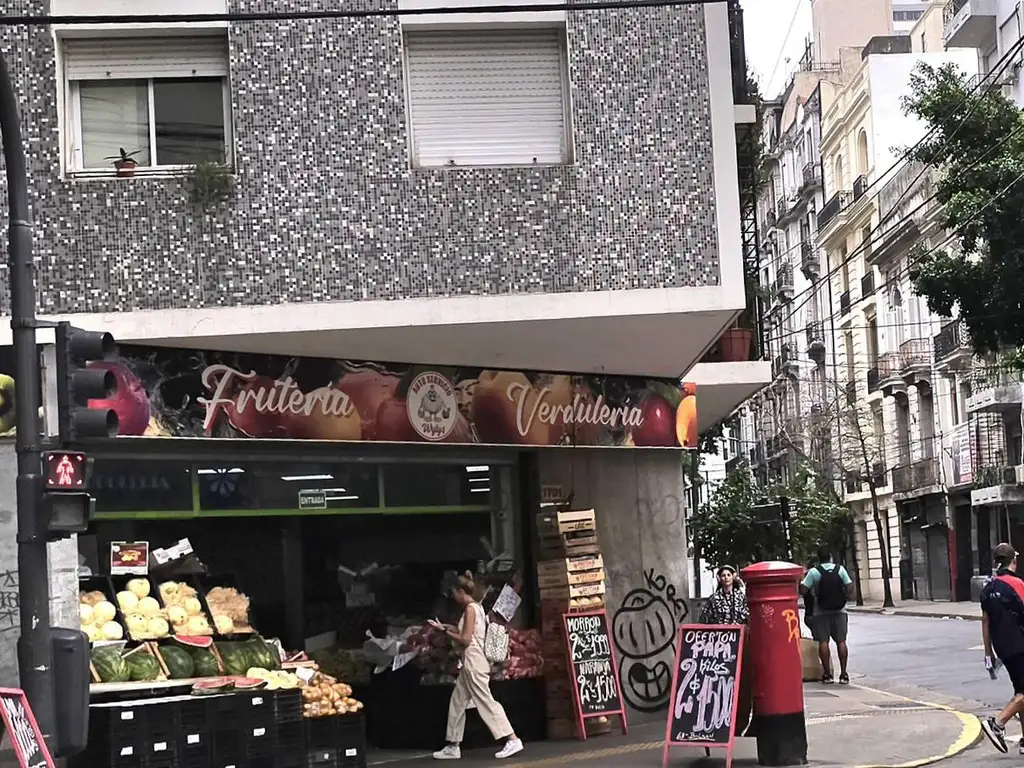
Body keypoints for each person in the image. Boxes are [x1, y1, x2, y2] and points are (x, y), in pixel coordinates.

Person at [431, 572, 523, 761]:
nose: (453, 597)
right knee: (457, 701)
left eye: (454, 592)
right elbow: (468, 632)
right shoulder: (477, 607)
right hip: (471, 662)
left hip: (474, 662)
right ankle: (453, 745)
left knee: (485, 701)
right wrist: (446, 628)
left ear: (461, 591)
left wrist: (444, 631)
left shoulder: (470, 609)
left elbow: (465, 639)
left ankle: (512, 739)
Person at [979, 543, 1024, 755]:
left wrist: (989, 654)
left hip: (1003, 648)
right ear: (1014, 560)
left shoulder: (988, 588)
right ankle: (997, 724)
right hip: (1020, 644)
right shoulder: (1017, 584)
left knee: (1020, 691)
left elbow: (985, 621)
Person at [800, 548, 854, 684]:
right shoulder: (840, 569)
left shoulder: (814, 572)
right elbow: (849, 586)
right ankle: (843, 674)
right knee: (841, 642)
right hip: (840, 611)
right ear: (830, 557)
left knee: (823, 642)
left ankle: (827, 675)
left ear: (819, 558)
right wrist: (844, 597)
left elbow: (803, 590)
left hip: (820, 612)